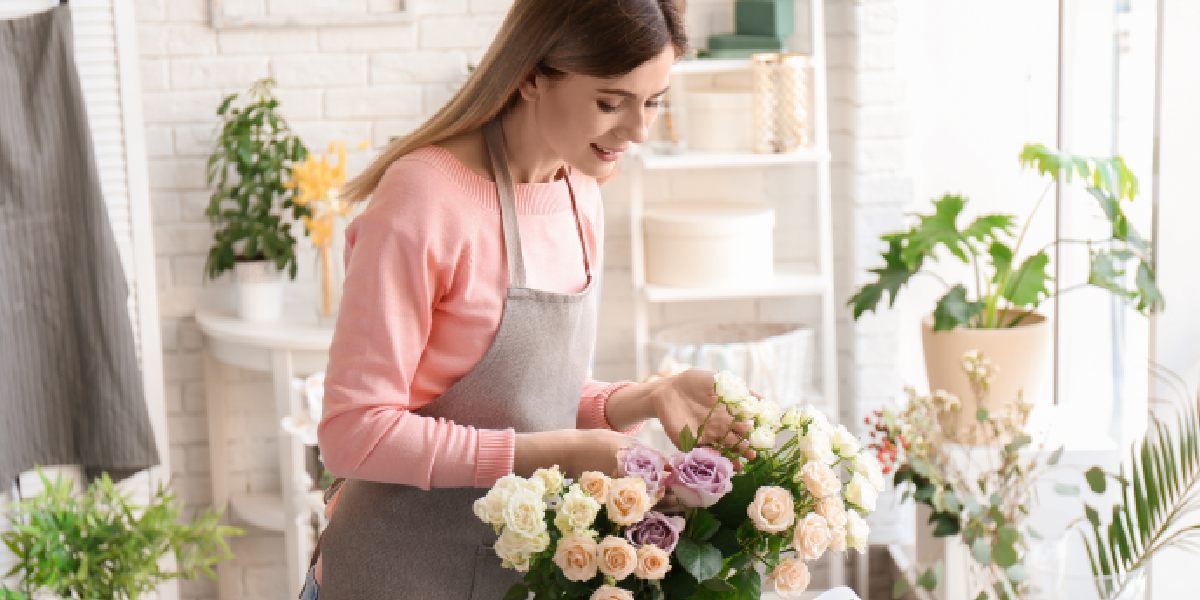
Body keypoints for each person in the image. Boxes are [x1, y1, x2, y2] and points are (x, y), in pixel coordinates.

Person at [305, 1, 755, 597]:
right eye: (610, 102)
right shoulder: (424, 200)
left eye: (654, 102)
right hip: (394, 572)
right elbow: (354, 432)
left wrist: (648, 395)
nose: (638, 131)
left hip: (508, 577)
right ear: (532, 75)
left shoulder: (580, 191)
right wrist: (566, 453)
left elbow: (527, 400)